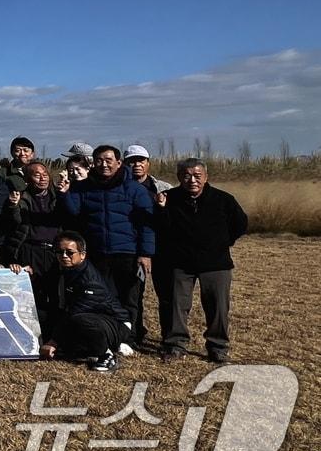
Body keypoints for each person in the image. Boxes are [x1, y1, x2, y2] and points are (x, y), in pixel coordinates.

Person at [155, 159, 248, 362]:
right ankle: (175, 345)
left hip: (216, 263)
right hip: (180, 263)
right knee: (177, 305)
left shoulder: (223, 199)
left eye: (198, 175)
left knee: (218, 307)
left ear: (206, 177)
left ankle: (218, 346)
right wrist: (161, 209)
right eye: (187, 175)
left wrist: (223, 242)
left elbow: (240, 223)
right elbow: (160, 229)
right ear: (179, 177)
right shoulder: (167, 199)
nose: (192, 180)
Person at [63, 145, 155, 348]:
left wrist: (146, 253)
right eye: (99, 160)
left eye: (108, 160)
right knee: (102, 297)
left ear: (119, 163)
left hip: (128, 253)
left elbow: (147, 225)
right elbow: (73, 211)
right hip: (98, 253)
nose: (104, 164)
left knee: (130, 298)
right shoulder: (84, 187)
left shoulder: (135, 189)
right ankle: (109, 335)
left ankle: (130, 338)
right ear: (92, 163)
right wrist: (65, 193)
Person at [12, 231, 130, 372]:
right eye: (59, 252)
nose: (64, 256)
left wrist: (53, 342)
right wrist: (29, 276)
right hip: (80, 317)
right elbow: (46, 288)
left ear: (82, 255)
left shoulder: (90, 282)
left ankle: (105, 354)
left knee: (79, 320)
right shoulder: (61, 268)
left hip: (114, 322)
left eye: (70, 252)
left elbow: (73, 314)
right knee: (40, 314)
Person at [4, 160, 68, 276]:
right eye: (37, 175)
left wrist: (63, 195)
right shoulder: (21, 198)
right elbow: (17, 221)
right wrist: (14, 206)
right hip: (30, 251)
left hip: (54, 251)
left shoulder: (57, 197)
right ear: (27, 179)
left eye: (45, 175)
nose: (43, 178)